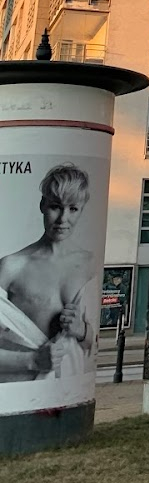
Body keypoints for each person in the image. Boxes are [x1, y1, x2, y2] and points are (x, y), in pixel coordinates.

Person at [0, 164, 95, 382]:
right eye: (55, 207)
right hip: (21, 391)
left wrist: (82, 331)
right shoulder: (12, 266)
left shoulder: (91, 264)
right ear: (42, 205)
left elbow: (94, 345)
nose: (63, 219)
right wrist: (32, 360)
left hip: (68, 394)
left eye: (73, 209)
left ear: (82, 210)